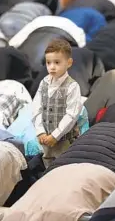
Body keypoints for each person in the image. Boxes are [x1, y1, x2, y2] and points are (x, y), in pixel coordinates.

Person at [32, 39, 83, 167]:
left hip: (65, 141)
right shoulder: (44, 82)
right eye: (48, 62)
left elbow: (71, 115)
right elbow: (36, 108)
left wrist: (55, 135)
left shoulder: (72, 86)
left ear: (69, 62)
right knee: (47, 163)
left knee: (65, 166)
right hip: (46, 140)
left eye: (57, 62)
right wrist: (40, 131)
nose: (52, 67)